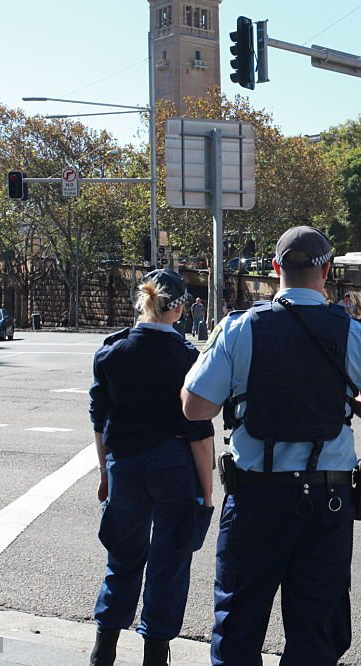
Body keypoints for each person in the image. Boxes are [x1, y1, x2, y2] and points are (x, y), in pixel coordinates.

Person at [180, 226, 361, 666]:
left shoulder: (239, 328)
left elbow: (194, 408)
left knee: (239, 624)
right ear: (327, 271)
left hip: (256, 498)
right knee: (316, 630)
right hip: (328, 502)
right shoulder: (357, 335)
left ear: (275, 268)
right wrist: (353, 406)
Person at [88, 269, 215, 666]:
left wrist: (106, 473)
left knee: (122, 557)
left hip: (124, 464)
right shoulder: (186, 357)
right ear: (178, 308)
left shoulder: (111, 352)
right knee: (170, 561)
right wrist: (207, 491)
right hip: (174, 465)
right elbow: (198, 431)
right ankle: (155, 652)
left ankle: (104, 646)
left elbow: (99, 419)